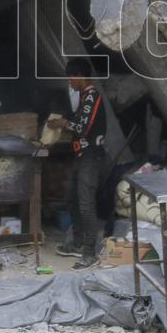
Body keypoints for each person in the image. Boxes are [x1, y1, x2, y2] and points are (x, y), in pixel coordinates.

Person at [47, 58, 106, 269]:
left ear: (80, 76)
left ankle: (89, 253)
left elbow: (83, 128)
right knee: (70, 198)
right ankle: (78, 241)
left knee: (86, 205)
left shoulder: (92, 97)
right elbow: (78, 120)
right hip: (80, 156)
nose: (69, 83)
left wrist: (63, 122)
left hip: (91, 158)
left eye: (71, 78)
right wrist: (65, 119)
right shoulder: (82, 98)